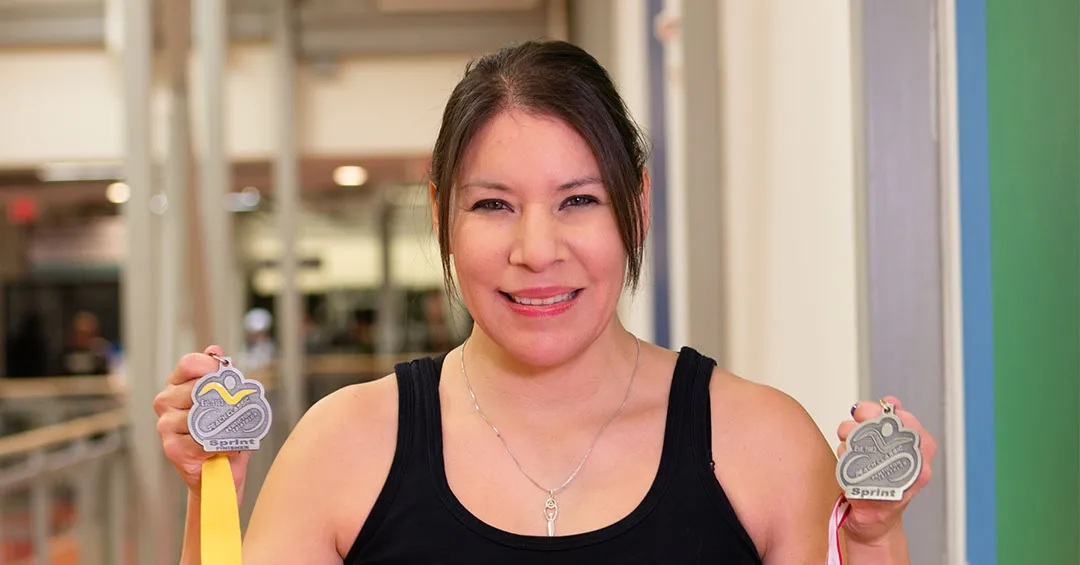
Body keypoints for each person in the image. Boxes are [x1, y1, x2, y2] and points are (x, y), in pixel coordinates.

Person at [154, 40, 937, 564]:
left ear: (637, 204)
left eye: (578, 201)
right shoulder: (344, 447)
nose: (536, 249)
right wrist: (210, 496)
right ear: (441, 216)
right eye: (493, 204)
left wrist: (873, 533)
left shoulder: (761, 444)